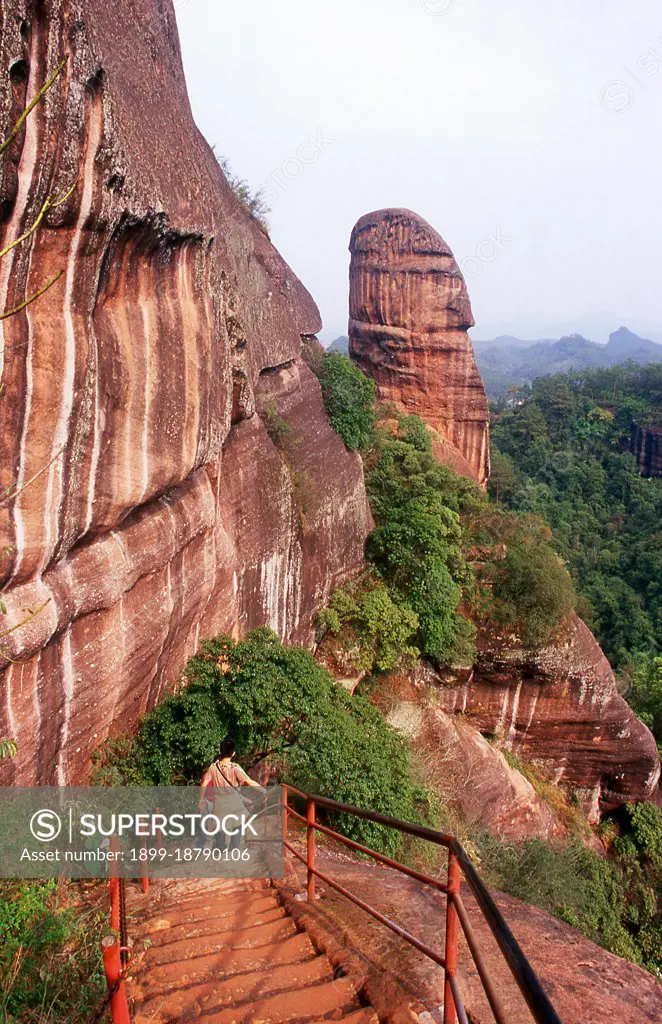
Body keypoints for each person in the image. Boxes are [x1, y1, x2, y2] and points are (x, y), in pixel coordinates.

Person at [198, 738, 262, 852]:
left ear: (220, 751)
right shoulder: (235, 768)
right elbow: (249, 781)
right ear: (233, 753)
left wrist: (201, 798)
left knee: (220, 825)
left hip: (220, 803)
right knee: (238, 824)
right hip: (234, 802)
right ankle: (234, 848)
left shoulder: (213, 767)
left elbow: (205, 782)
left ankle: (220, 847)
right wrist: (263, 790)